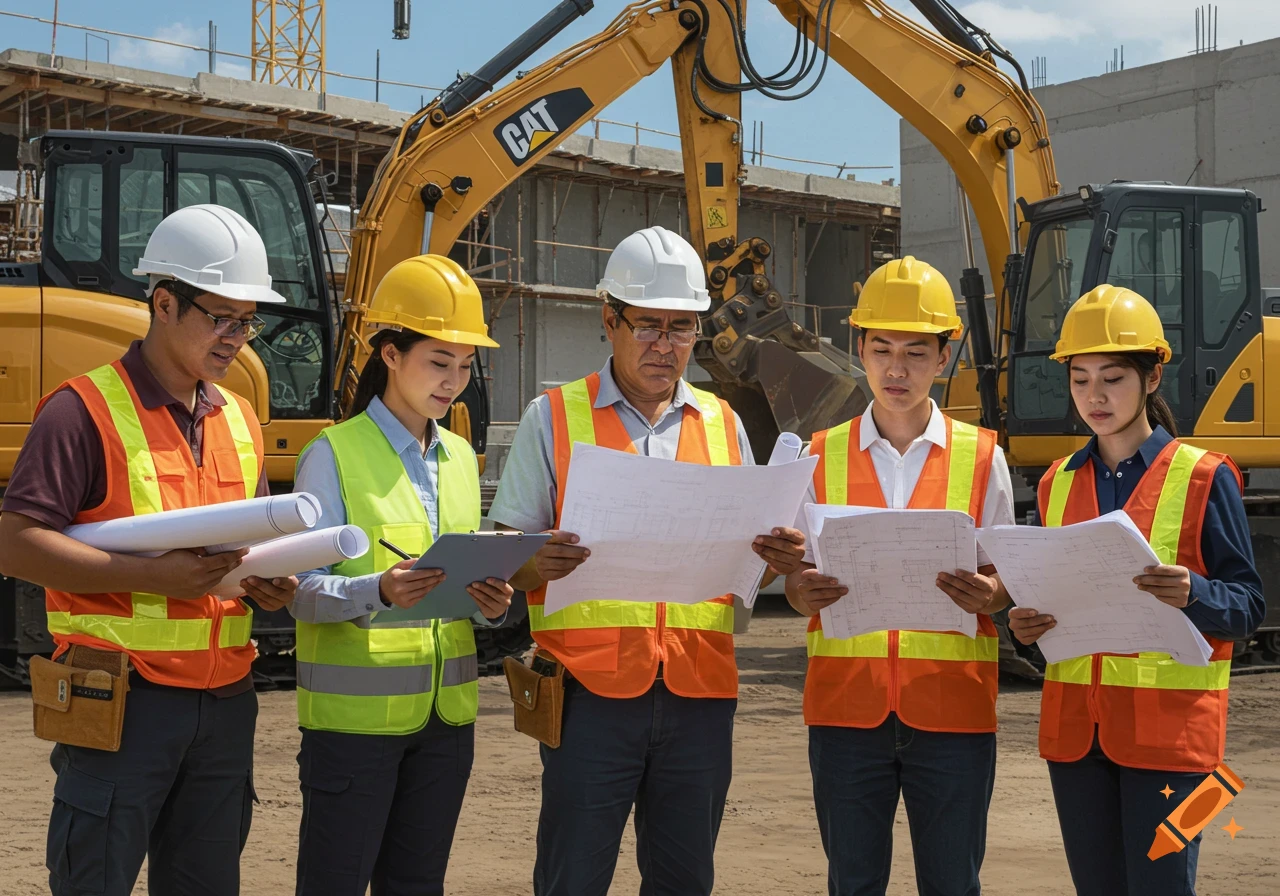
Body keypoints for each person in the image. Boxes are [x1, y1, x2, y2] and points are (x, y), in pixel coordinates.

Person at [489, 225, 807, 896]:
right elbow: (504, 562)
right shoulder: (553, 418)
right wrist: (535, 563)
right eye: (650, 326)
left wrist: (775, 558)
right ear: (611, 320)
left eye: (683, 328)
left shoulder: (723, 424)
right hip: (586, 698)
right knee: (573, 877)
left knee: (684, 880)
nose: (667, 346)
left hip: (698, 693)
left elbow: (749, 569)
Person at [0, 204, 296, 896]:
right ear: (164, 302)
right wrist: (157, 579)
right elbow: (15, 545)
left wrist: (265, 581)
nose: (237, 338)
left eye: (247, 320)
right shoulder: (79, 411)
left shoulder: (240, 418)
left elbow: (239, 546)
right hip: (120, 697)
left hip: (225, 702)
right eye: (220, 317)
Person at [1008, 284, 1264, 896]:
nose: (1094, 397)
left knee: (1165, 889)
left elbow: (1249, 607)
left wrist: (1193, 592)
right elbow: (1048, 608)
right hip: (1076, 740)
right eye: (1080, 379)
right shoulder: (1055, 484)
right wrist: (1023, 629)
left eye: (1113, 378)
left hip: (1178, 744)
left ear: (1152, 378)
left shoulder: (1206, 475)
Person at [785, 256, 1017, 896]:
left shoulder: (982, 456)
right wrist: (799, 589)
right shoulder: (818, 455)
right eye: (881, 348)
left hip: (953, 712)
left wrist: (993, 594)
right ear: (858, 348)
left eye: (916, 352)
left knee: (952, 883)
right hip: (845, 713)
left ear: (944, 357)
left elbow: (1007, 574)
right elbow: (797, 578)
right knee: (853, 882)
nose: (896, 369)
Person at [288, 254, 513, 896]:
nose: (454, 382)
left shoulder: (463, 459)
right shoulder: (332, 455)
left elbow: (469, 586)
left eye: (465, 367)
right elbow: (298, 591)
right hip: (354, 731)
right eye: (439, 362)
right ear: (390, 353)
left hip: (447, 723)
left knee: (418, 885)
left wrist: (491, 602)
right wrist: (377, 590)